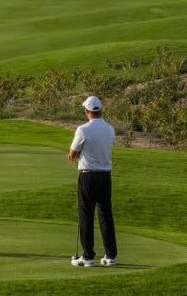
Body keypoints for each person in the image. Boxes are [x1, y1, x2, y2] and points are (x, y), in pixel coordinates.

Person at [67, 95, 117, 267]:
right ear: (100, 110)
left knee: (86, 214)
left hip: (88, 176)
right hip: (105, 176)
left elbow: (72, 154)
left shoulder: (83, 129)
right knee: (105, 215)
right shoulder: (110, 129)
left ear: (87, 111)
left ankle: (88, 257)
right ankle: (111, 255)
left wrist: (78, 154)